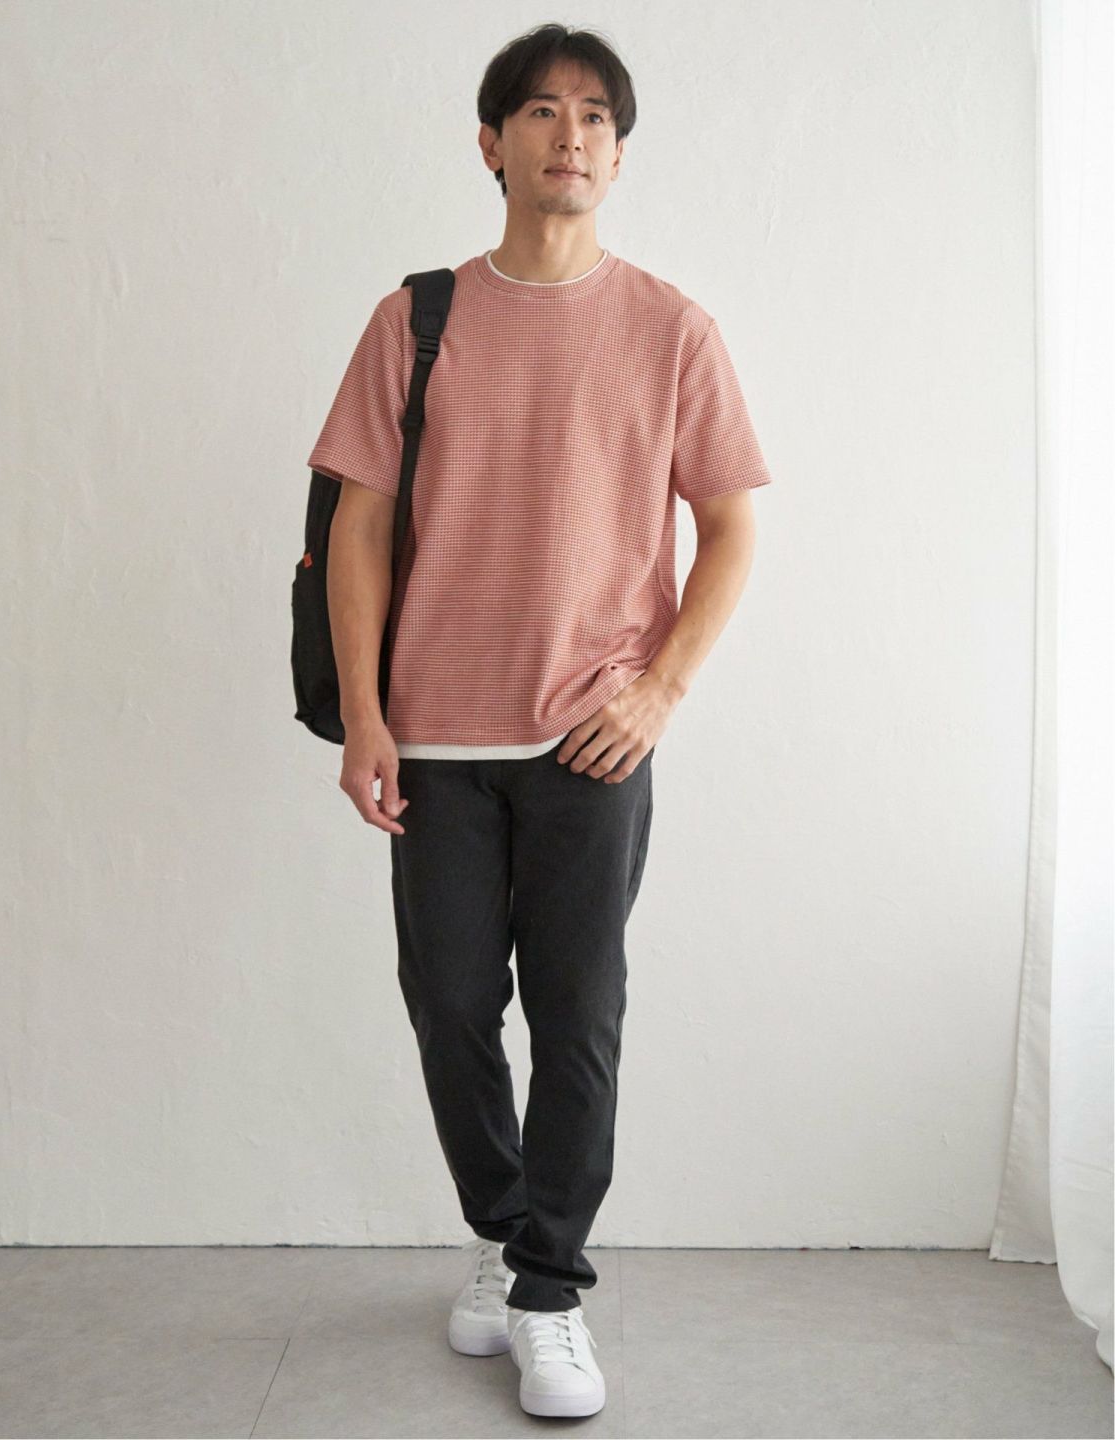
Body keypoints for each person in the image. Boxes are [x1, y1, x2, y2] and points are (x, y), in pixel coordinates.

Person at [307, 21, 773, 1420]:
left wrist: (660, 689)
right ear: (491, 142)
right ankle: (506, 1234)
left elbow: (734, 527)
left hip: (592, 738)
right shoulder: (416, 319)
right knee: (450, 1004)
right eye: (540, 111)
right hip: (436, 738)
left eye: (595, 117)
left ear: (618, 156)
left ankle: (551, 1291)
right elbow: (357, 532)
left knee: (577, 1018)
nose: (570, 134)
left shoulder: (673, 329)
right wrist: (365, 718)